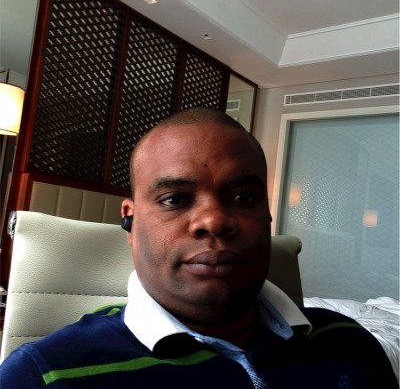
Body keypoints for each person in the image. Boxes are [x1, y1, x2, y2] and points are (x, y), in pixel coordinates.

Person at [0, 108, 397, 388]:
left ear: (267, 217)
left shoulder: (349, 340)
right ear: (131, 223)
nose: (214, 220)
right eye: (174, 199)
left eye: (243, 198)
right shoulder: (45, 374)